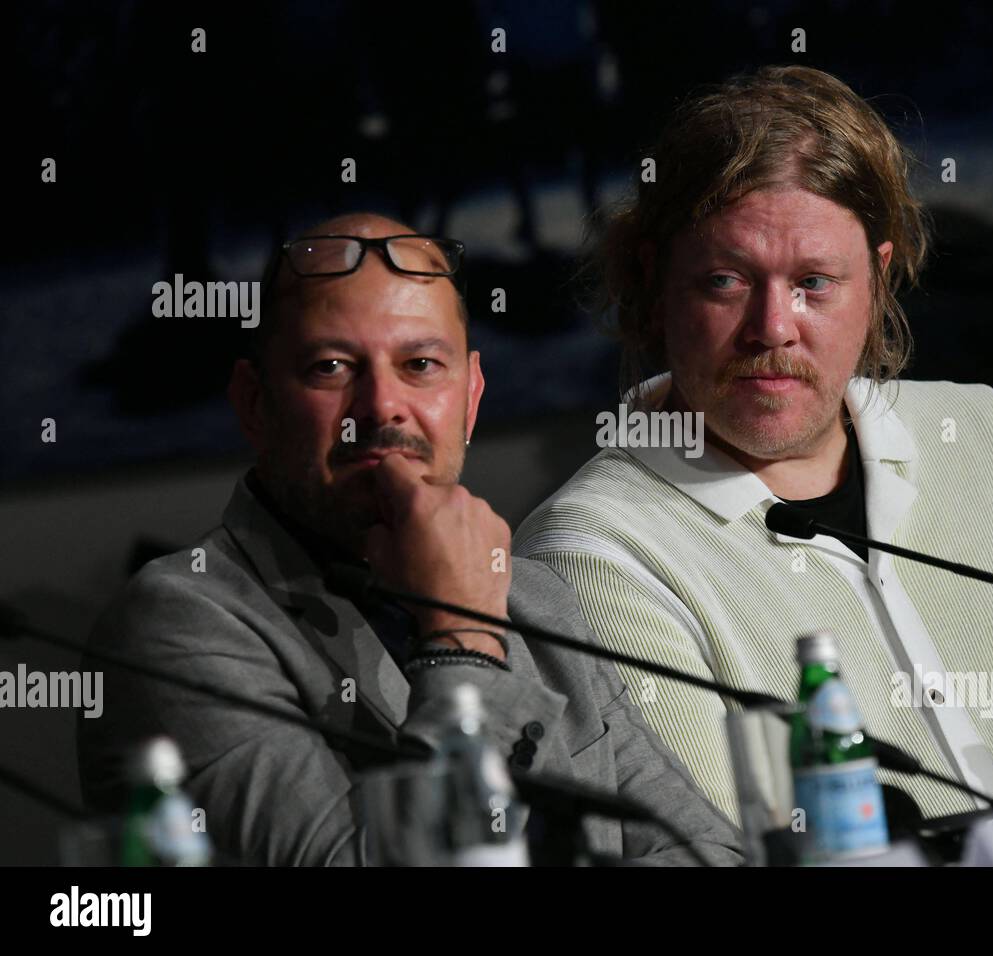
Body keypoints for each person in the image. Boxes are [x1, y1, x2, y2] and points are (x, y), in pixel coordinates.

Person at [515, 66, 993, 823]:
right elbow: (725, 848)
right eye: (725, 281)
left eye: (814, 281)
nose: (774, 327)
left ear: (876, 281)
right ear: (651, 280)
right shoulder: (590, 553)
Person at [77, 212, 742, 866]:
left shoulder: (535, 593)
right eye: (332, 367)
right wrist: (463, 636)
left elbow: (706, 851)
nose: (382, 406)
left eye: (420, 364)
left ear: (472, 398)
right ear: (256, 404)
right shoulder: (175, 626)